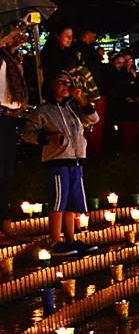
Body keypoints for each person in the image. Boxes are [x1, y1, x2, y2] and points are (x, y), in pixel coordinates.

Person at [21, 73, 97, 253]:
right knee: (58, 201)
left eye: (69, 83)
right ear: (51, 86)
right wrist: (48, 138)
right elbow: (27, 134)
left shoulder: (74, 109)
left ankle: (70, 239)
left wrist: (81, 99)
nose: (66, 85)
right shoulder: (43, 111)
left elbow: (94, 119)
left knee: (72, 201)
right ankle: (55, 241)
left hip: (76, 160)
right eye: (61, 82)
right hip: (57, 161)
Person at [0, 26, 30, 222]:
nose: (19, 38)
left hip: (10, 116)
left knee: (6, 169)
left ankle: (3, 214)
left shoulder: (14, 58)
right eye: (15, 34)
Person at [72, 28, 107, 156]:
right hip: (88, 92)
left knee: (95, 123)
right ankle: (89, 150)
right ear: (86, 34)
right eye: (94, 35)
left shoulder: (90, 49)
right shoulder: (79, 50)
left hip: (96, 90)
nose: (95, 38)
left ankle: (94, 149)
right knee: (88, 122)